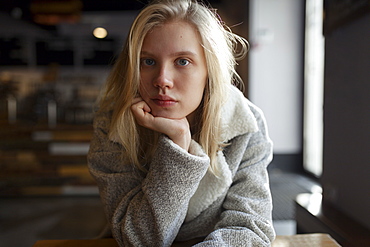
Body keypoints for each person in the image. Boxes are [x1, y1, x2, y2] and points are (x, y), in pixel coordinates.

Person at [87, 0, 275, 246]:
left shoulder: (245, 123)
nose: (162, 80)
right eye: (148, 61)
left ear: (210, 69)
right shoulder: (114, 125)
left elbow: (250, 228)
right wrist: (178, 146)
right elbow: (138, 239)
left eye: (182, 61)